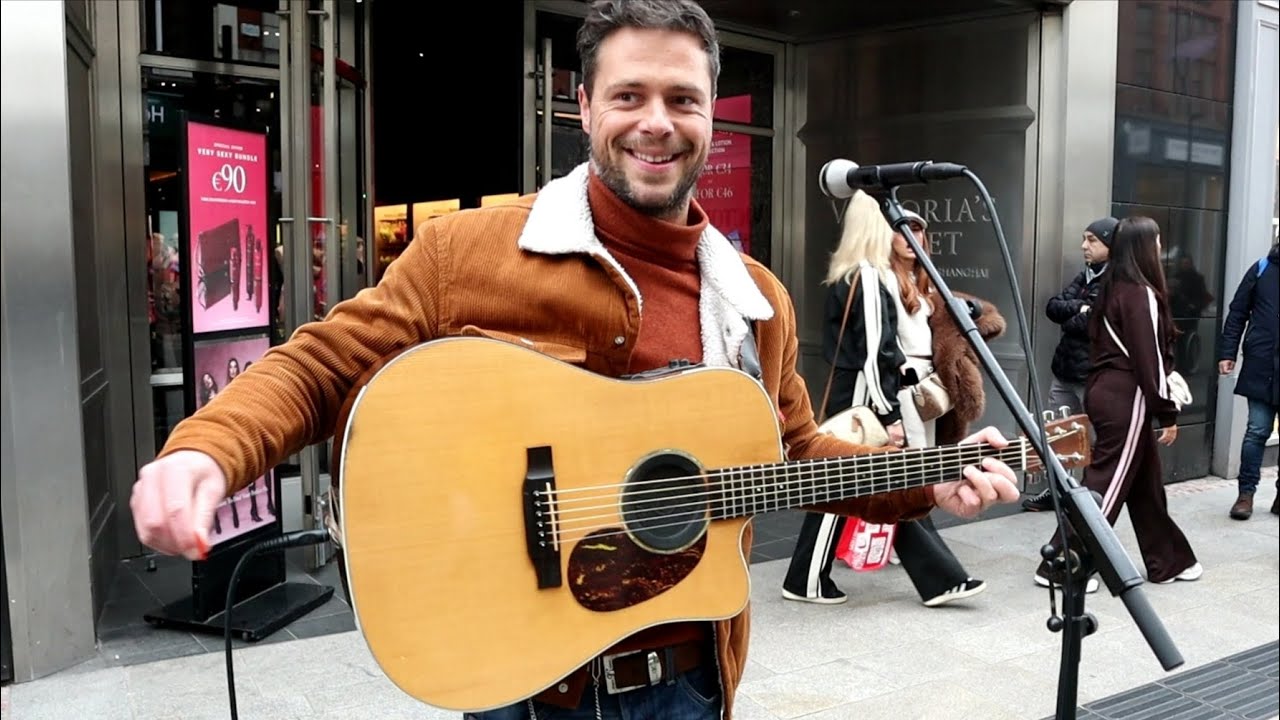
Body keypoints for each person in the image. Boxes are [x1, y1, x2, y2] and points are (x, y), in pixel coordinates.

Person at [130, 3, 1020, 719]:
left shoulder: (754, 298)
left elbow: (787, 459)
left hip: (686, 684)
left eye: (684, 99)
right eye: (629, 96)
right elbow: (323, 363)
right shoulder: (469, 252)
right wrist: (208, 449)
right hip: (523, 681)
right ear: (584, 106)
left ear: (712, 114)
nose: (657, 124)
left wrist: (926, 481)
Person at [783, 193, 1002, 607]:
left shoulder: (877, 276)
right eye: (899, 225)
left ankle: (809, 578)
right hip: (867, 399)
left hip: (873, 395)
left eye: (917, 227)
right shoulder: (867, 276)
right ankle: (937, 578)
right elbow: (873, 352)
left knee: (862, 484)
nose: (910, 234)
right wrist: (887, 416)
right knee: (867, 480)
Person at [1034, 216, 1201, 592]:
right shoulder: (1140, 292)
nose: (1160, 247)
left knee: (1145, 485)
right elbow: (1150, 360)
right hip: (1128, 397)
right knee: (1105, 483)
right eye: (1157, 240)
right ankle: (1062, 563)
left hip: (1105, 389)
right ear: (1145, 245)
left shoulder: (1112, 286)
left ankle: (1170, 561)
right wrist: (1167, 412)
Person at [1023, 217, 1116, 512]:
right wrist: (1082, 307)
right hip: (1063, 371)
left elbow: (1092, 324)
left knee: (1096, 440)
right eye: (1084, 238)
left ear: (1110, 246)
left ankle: (1094, 497)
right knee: (1058, 435)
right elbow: (1053, 307)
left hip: (1092, 375)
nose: (1083, 246)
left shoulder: (1116, 280)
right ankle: (1057, 492)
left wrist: (1078, 312)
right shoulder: (1086, 275)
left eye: (1092, 240)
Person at [1218, 241, 1279, 520]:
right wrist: (1227, 352)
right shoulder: (1262, 268)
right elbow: (1238, 313)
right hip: (1261, 364)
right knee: (1256, 430)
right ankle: (1246, 494)